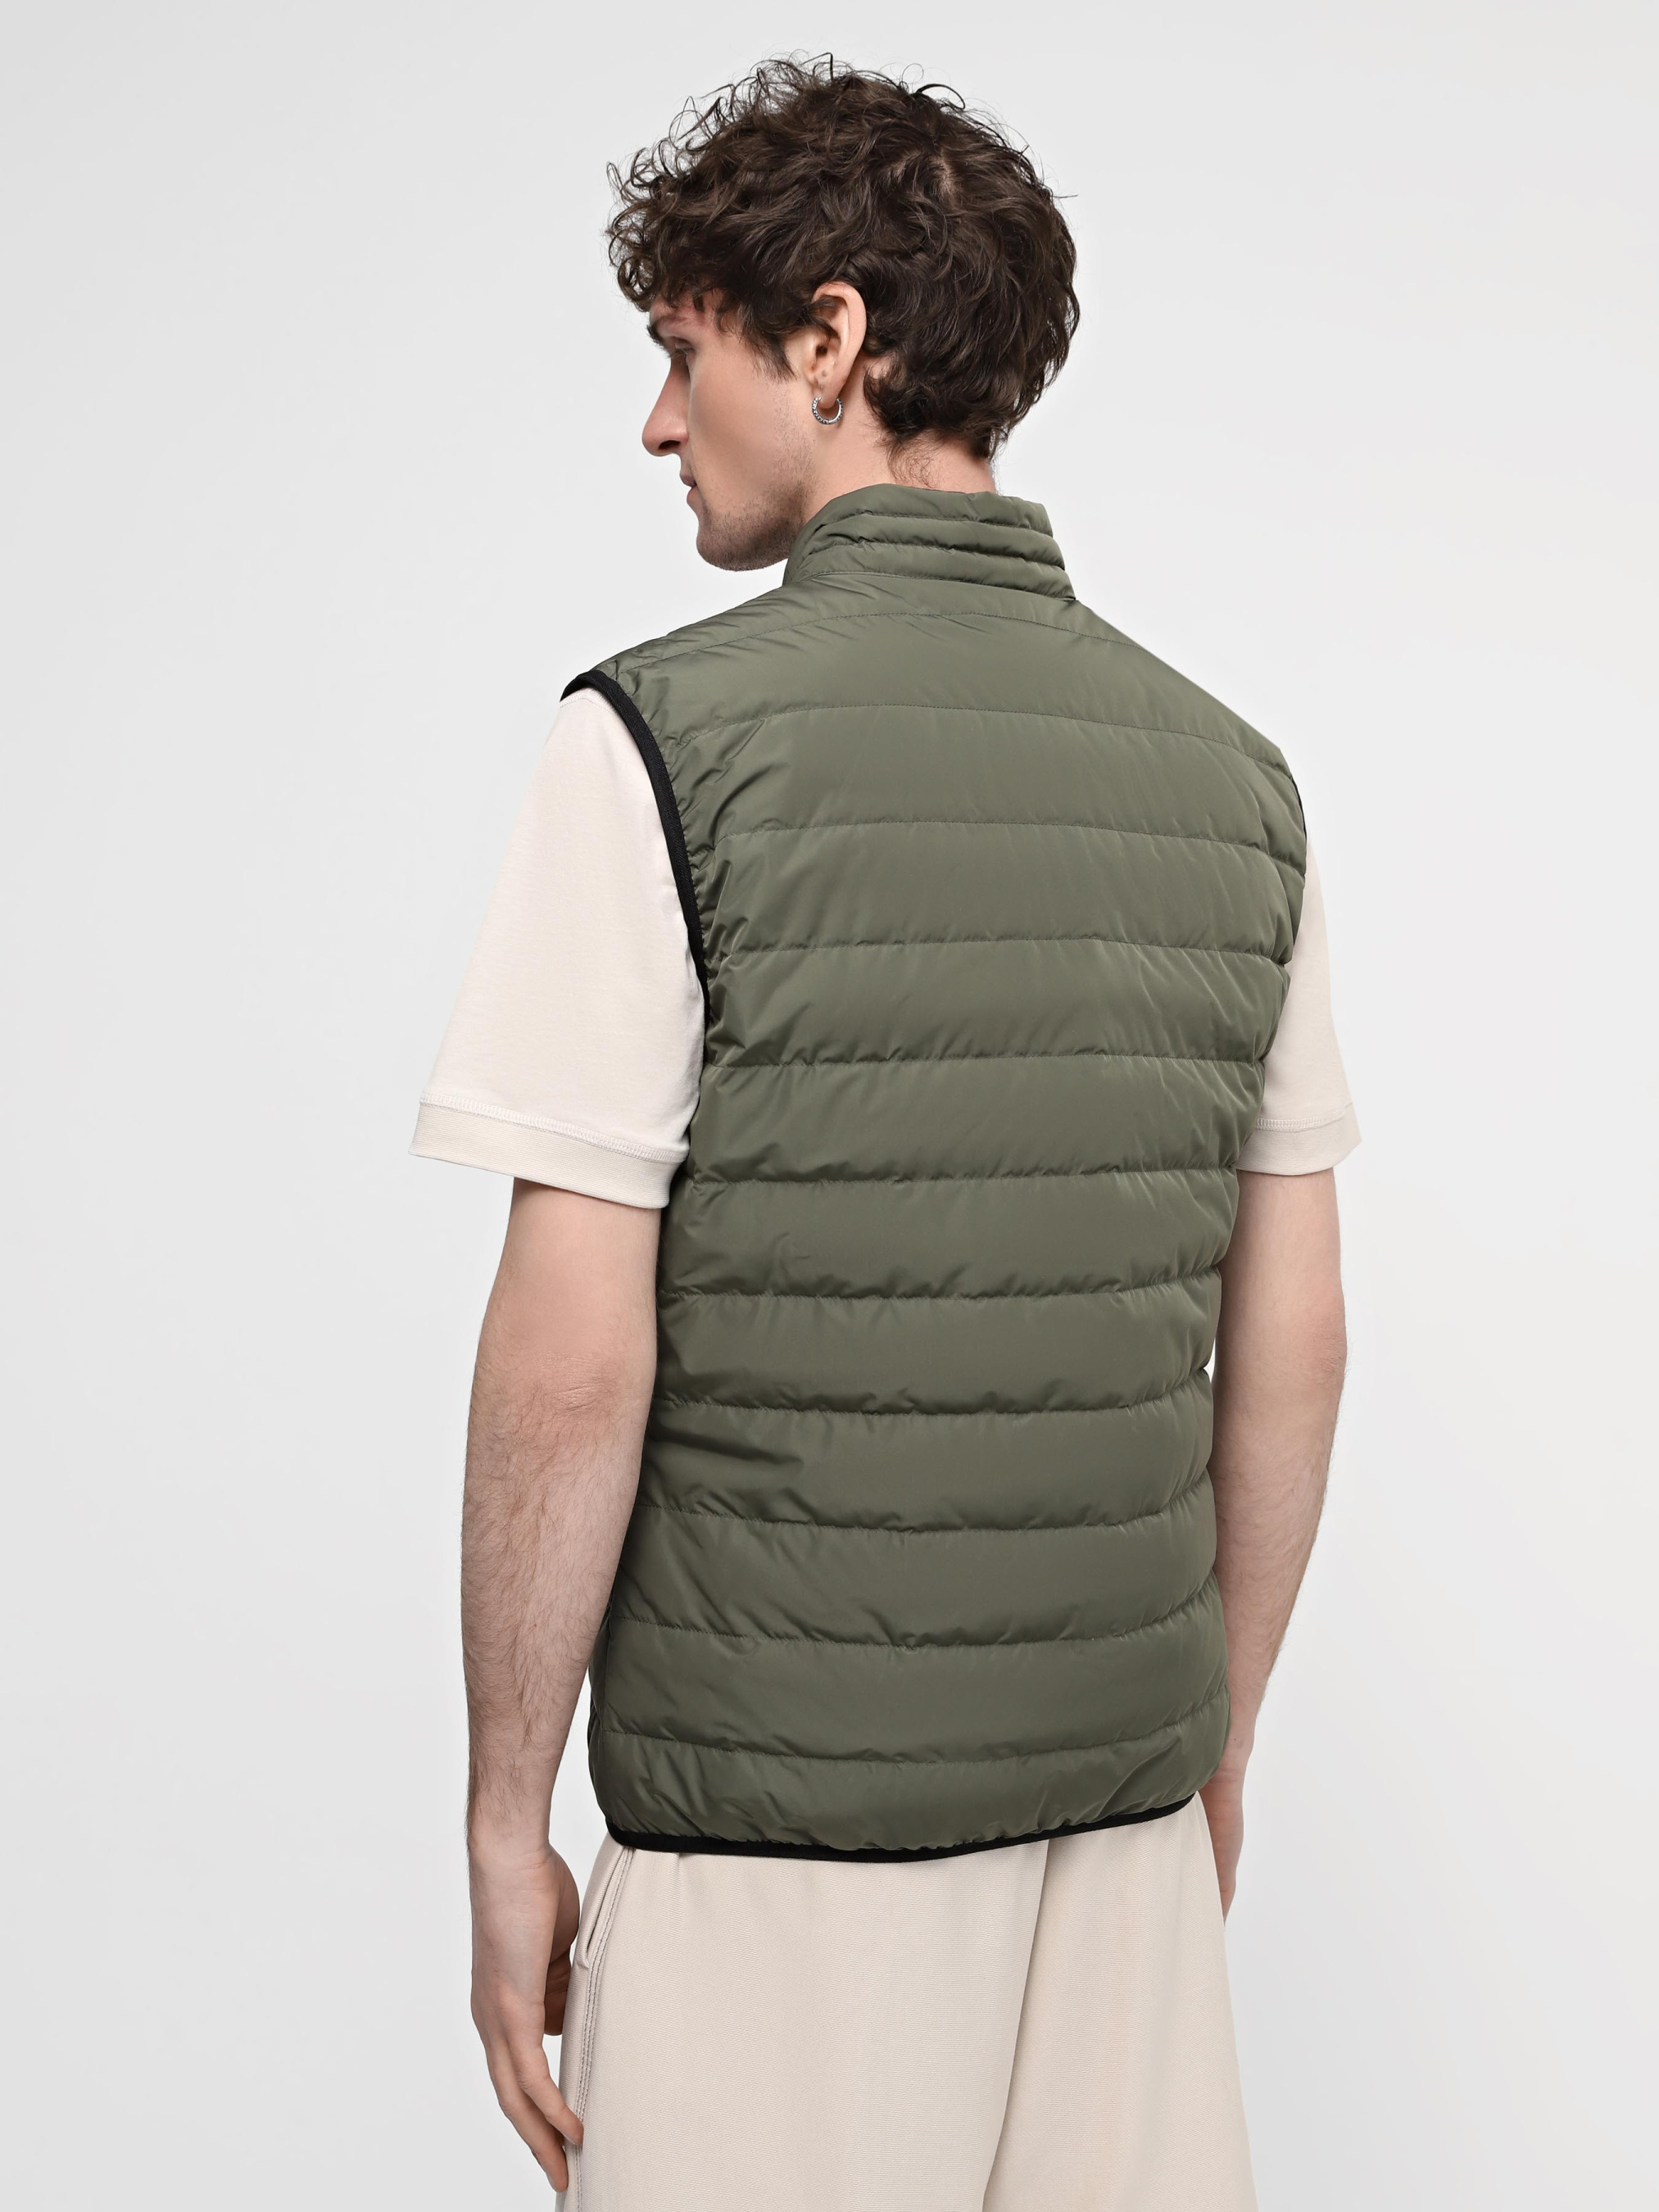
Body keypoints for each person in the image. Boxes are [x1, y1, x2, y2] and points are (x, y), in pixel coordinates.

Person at [414, 57, 1356, 2212]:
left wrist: (500, 1818)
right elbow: (1292, 1329)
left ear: (829, 341)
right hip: (1121, 1836)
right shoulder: (1240, 783)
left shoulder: (654, 742)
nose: (659, 423)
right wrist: (1212, 1742)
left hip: (776, 1862)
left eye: (686, 354)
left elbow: (569, 1355)